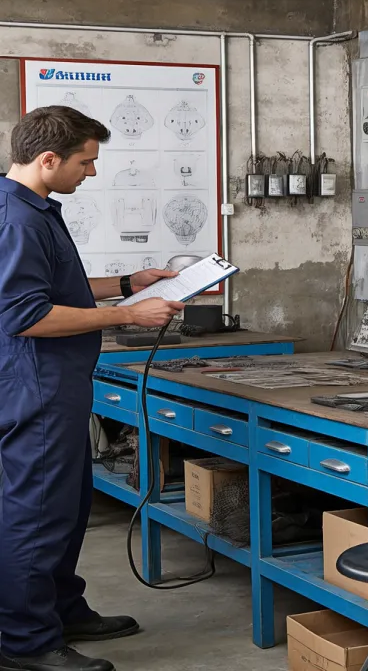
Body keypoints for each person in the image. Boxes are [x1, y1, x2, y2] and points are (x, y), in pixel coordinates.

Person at [0, 106, 186, 671]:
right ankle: (25, 643)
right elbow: (25, 314)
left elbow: (62, 287)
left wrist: (132, 282)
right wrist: (130, 317)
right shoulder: (17, 220)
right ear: (48, 158)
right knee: (34, 512)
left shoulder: (36, 210)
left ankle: (61, 609)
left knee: (67, 504)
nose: (93, 174)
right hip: (37, 387)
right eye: (86, 162)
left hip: (58, 385)